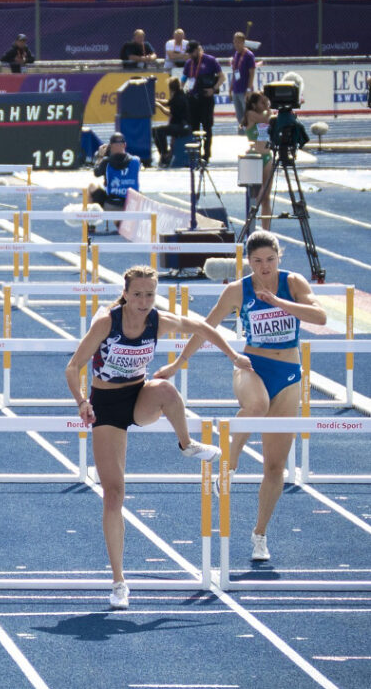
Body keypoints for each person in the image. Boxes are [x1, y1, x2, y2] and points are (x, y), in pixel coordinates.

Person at [65, 265, 251, 610]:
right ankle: (119, 581)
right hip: (106, 406)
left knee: (165, 388)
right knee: (114, 494)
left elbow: (202, 326)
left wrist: (233, 355)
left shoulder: (158, 321)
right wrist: (81, 401)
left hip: (139, 398)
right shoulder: (107, 322)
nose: (144, 301)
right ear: (125, 293)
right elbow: (72, 367)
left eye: (150, 294)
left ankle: (186, 445)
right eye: (137, 294)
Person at [157, 232, 325, 564]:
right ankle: (228, 464)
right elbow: (207, 326)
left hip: (289, 375)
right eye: (257, 261)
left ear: (280, 257)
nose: (264, 268)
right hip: (251, 366)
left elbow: (319, 317)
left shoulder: (293, 284)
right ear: (248, 262)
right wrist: (178, 362)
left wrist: (281, 303)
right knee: (257, 405)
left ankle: (259, 535)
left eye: (270, 260)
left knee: (275, 467)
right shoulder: (238, 290)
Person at [182, 40, 225, 163]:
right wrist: (181, 90)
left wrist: (214, 89)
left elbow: (222, 77)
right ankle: (196, 154)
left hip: (206, 99)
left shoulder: (210, 60)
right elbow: (184, 79)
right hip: (193, 100)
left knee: (207, 127)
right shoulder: (188, 63)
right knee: (193, 127)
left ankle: (206, 154)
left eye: (191, 52)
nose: (190, 55)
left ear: (197, 50)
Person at [242, 92, 276, 230]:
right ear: (254, 104)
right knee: (254, 197)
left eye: (266, 102)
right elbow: (266, 119)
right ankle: (250, 228)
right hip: (253, 158)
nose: (265, 105)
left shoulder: (265, 114)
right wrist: (269, 108)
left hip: (267, 156)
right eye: (262, 102)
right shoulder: (251, 114)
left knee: (266, 197)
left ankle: (266, 230)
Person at [88, 133, 140, 209]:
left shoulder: (106, 162)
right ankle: (120, 220)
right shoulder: (136, 161)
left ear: (111, 146)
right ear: (125, 145)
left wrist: (100, 157)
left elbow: (96, 173)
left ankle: (88, 219)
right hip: (131, 204)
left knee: (91, 187)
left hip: (112, 204)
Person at [152, 78, 191, 167]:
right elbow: (169, 102)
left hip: (181, 126)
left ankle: (165, 154)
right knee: (156, 130)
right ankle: (164, 154)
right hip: (181, 125)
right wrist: (157, 100)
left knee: (158, 131)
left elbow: (169, 113)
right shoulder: (179, 94)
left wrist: (159, 106)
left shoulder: (178, 98)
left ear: (171, 88)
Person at [231, 32, 258, 133]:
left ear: (243, 42)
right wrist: (231, 88)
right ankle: (242, 135)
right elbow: (235, 72)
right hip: (236, 89)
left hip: (244, 90)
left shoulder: (249, 55)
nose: (236, 44)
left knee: (248, 114)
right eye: (235, 42)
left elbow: (252, 73)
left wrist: (248, 89)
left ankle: (251, 136)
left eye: (238, 42)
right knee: (239, 116)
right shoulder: (236, 54)